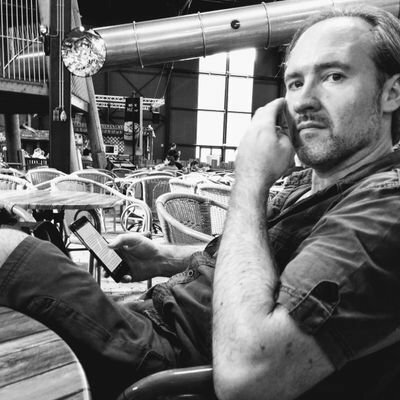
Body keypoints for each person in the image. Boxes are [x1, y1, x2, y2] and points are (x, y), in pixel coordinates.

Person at [1, 5, 400, 400]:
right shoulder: (315, 185)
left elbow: (247, 376)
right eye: (295, 83)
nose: (304, 100)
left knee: (9, 248)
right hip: (153, 315)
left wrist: (250, 179)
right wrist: (163, 257)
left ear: (391, 93)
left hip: (165, 357)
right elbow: (271, 264)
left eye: (334, 76)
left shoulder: (381, 210)